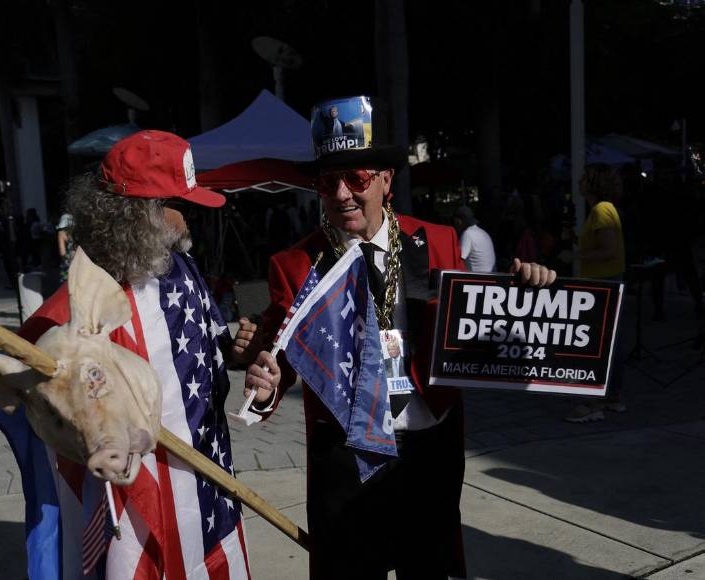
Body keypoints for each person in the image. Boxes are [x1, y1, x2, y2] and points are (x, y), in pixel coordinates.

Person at [243, 95, 556, 579]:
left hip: (429, 448)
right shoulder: (295, 263)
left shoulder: (438, 241)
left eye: (358, 178)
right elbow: (278, 356)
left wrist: (527, 291)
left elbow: (485, 320)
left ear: (386, 180)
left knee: (429, 569)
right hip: (346, 460)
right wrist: (264, 391)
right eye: (329, 182)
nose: (343, 193)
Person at [11, 131, 255, 578]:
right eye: (180, 204)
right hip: (145, 495)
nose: (191, 217)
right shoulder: (84, 305)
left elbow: (209, 346)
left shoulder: (178, 263)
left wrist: (237, 349)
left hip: (209, 483)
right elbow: (29, 398)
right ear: (141, 214)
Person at [565, 163, 628, 423]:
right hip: (606, 280)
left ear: (592, 183)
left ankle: (593, 404)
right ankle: (612, 398)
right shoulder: (603, 210)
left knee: (597, 344)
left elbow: (608, 250)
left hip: (602, 283)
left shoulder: (602, 210)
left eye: (583, 179)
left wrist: (575, 254)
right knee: (611, 342)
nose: (578, 182)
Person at [453, 205, 496, 273]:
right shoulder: (483, 232)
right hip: (492, 276)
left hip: (478, 279)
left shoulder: (467, 234)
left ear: (459, 221)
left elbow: (459, 260)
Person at [56, 212, 75, 283]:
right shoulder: (77, 232)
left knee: (66, 285)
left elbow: (62, 252)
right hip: (79, 262)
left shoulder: (61, 233)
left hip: (67, 263)